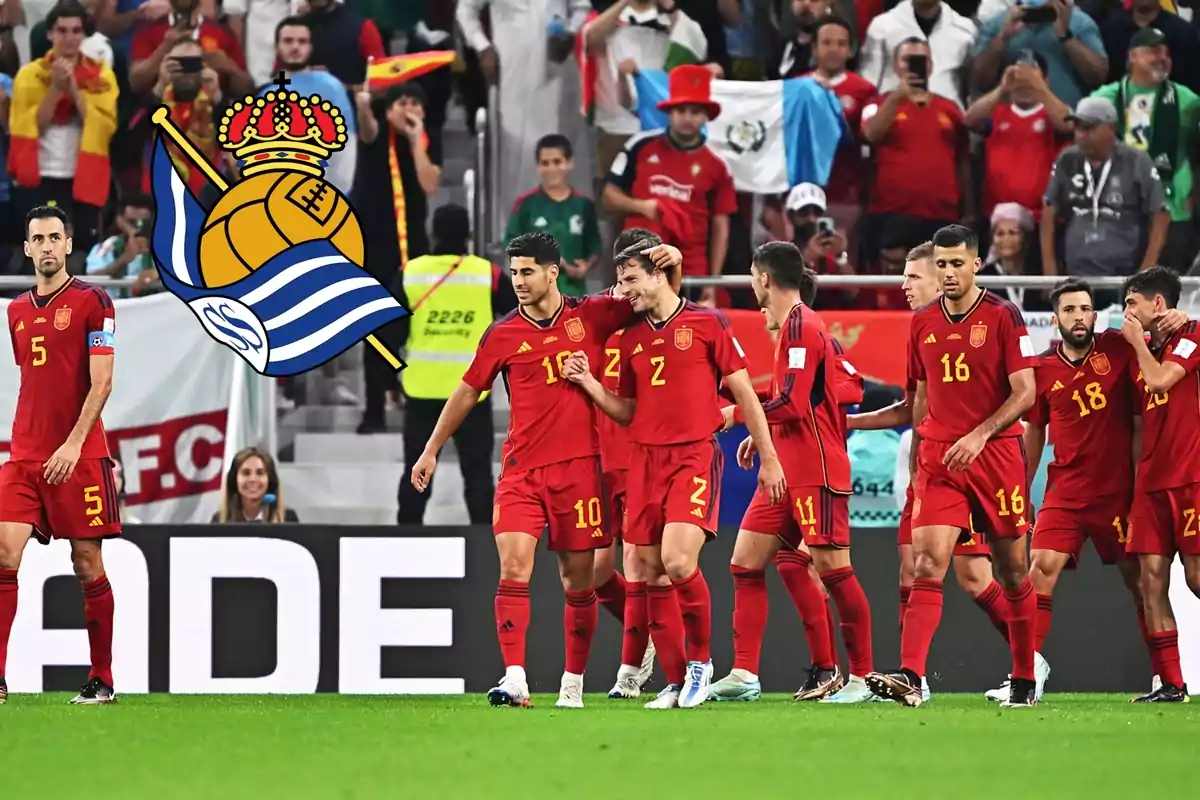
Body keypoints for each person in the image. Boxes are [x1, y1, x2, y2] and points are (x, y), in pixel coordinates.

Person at [409, 232, 684, 710]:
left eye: (527, 271)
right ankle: (515, 677)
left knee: (579, 582)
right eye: (514, 272)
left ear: (552, 272)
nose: (518, 280)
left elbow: (661, 301)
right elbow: (467, 392)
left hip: (579, 472)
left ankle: (571, 685)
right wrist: (432, 448)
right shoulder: (501, 334)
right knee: (513, 567)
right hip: (520, 472)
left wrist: (673, 264)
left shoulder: (592, 315)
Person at [563, 230, 785, 710]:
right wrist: (587, 383)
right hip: (644, 458)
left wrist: (769, 458)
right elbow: (626, 411)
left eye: (630, 280)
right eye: (620, 282)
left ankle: (700, 666)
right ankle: (673, 678)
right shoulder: (631, 338)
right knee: (646, 573)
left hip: (692, 456)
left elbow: (746, 395)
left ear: (659, 274)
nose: (624, 292)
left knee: (678, 562)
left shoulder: (707, 324)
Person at [865, 224, 1040, 708]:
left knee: (1010, 570)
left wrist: (980, 434)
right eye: (940, 264)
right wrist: (923, 460)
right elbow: (918, 401)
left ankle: (1026, 676)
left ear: (976, 264)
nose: (947, 273)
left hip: (997, 456)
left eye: (956, 263)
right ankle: (912, 678)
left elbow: (1026, 392)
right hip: (942, 459)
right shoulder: (922, 323)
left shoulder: (1004, 316)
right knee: (927, 561)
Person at [990, 277, 1187, 703]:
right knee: (1038, 572)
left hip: (1118, 491)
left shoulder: (1120, 348)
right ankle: (1028, 674)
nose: (1078, 317)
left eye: (1085, 309)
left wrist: (1138, 486)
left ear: (1095, 315)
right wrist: (1021, 488)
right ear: (1055, 318)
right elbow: (1034, 432)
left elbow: (1141, 416)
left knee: (1141, 585)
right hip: (1066, 492)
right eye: (1069, 310)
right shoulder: (1041, 370)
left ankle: (1165, 678)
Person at [706, 242, 875, 704]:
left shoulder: (803, 326)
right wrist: (762, 437)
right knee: (745, 562)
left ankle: (861, 677)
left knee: (834, 572)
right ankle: (745, 674)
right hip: (785, 467)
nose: (750, 284)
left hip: (815, 470)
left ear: (763, 278)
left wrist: (739, 414)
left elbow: (792, 404)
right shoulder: (792, 331)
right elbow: (794, 403)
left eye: (751, 275)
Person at [0, 205, 121, 705]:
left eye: (55, 237)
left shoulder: (96, 302)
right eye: (38, 239)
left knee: (87, 562)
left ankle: (102, 678)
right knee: (4, 554)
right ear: (27, 249)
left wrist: (73, 444)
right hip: (25, 455)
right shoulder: (16, 312)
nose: (47, 247)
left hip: (81, 455)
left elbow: (103, 381)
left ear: (69, 244)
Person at [396, 204, 511, 527]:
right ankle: (487, 551)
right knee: (477, 476)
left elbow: (387, 331)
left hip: (421, 390)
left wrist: (391, 379)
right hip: (471, 393)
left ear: (432, 234)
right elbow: (519, 317)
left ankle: (402, 544)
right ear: (469, 235)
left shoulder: (410, 273)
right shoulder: (487, 274)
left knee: (416, 473)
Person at [1120, 266, 1200, 702]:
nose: (1126, 312)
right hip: (1150, 484)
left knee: (1196, 579)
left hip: (1191, 476)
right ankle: (1171, 684)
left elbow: (1161, 380)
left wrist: (1137, 342)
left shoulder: (1192, 337)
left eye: (1133, 303)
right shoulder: (1143, 350)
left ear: (1158, 304)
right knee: (1150, 580)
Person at [604, 64, 737, 306]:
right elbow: (609, 197)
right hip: (637, 270)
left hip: (689, 273)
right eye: (681, 110)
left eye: (695, 111)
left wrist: (712, 282)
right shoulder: (639, 146)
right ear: (670, 112)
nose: (687, 118)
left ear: (706, 116)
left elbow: (721, 226)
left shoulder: (718, 165)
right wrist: (644, 207)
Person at [1091, 27, 1200, 272]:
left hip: (1174, 209)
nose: (1162, 57)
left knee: (1168, 289)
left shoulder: (1188, 101)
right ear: (1132, 56)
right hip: (1123, 209)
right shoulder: (1107, 97)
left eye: (1166, 53)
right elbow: (1075, 124)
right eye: (1154, 51)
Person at [506, 134, 602, 297]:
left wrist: (585, 266)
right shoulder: (526, 204)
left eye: (557, 162)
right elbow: (511, 245)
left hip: (573, 295)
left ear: (570, 163)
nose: (551, 169)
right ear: (538, 166)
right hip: (535, 296)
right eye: (545, 163)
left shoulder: (583, 205)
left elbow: (594, 247)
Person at [212, 447, 298, 523]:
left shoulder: (288, 519)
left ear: (270, 480)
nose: (253, 479)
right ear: (234, 480)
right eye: (246, 473)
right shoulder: (219, 520)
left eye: (260, 473)